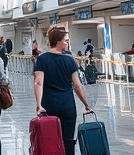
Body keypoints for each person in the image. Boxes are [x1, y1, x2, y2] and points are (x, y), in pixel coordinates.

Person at [34, 26, 92, 155]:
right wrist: (86, 104)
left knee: (50, 140)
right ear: (57, 41)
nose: (67, 43)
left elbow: (38, 82)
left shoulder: (42, 59)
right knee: (69, 140)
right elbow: (77, 86)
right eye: (65, 40)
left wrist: (39, 104)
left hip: (49, 106)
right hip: (67, 106)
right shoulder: (69, 60)